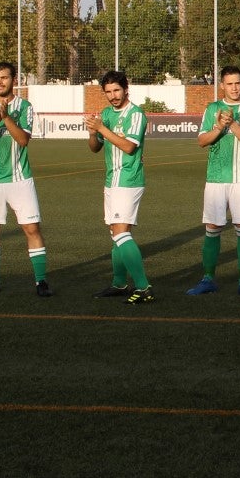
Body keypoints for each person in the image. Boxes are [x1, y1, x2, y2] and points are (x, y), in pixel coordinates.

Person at [0, 61, 51, 297]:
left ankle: (41, 282)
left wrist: (6, 118)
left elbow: (23, 140)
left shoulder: (24, 106)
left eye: (4, 77)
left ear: (14, 80)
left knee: (31, 228)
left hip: (19, 179)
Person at [187, 66, 240, 299]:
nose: (234, 87)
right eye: (229, 84)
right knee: (212, 229)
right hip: (216, 178)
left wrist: (233, 124)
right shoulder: (212, 109)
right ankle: (208, 279)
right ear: (222, 85)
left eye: (237, 83)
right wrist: (220, 125)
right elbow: (202, 141)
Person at [86, 69, 152, 304]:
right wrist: (93, 133)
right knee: (116, 234)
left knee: (121, 233)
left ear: (126, 89)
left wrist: (102, 128)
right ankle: (119, 283)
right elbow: (95, 147)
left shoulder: (136, 114)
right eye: (108, 92)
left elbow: (129, 147)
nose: (113, 95)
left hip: (129, 180)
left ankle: (143, 287)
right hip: (111, 181)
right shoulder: (105, 114)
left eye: (116, 90)